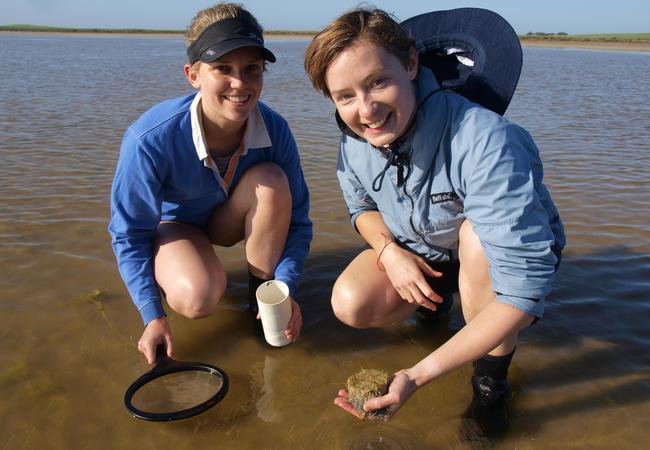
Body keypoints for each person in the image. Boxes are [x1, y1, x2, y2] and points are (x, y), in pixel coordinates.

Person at [303, 7, 565, 421]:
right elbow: (361, 208)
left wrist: (418, 375)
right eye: (346, 96)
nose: (367, 111)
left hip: (490, 256)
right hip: (424, 247)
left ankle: (491, 384)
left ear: (410, 63)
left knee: (478, 243)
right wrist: (389, 252)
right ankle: (435, 308)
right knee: (350, 303)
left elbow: (524, 293)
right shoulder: (355, 139)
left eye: (378, 82)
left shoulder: (486, 142)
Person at [109, 2, 312, 364]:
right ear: (193, 74)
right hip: (178, 226)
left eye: (252, 69)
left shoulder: (276, 128)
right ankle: (172, 270)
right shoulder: (149, 138)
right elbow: (128, 233)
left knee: (271, 180)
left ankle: (261, 300)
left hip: (230, 217)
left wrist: (286, 288)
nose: (240, 83)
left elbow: (297, 220)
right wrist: (152, 315)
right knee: (198, 298)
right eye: (223, 68)